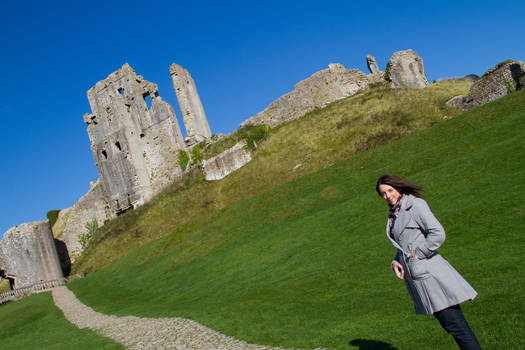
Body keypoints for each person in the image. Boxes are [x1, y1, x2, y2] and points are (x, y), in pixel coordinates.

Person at [376, 174, 481, 350]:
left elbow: (438, 234)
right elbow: (404, 244)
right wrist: (396, 261)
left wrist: (418, 254)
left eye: (390, 190)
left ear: (398, 188)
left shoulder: (415, 205)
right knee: (452, 326)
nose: (388, 196)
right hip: (419, 277)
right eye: (383, 193)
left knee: (456, 327)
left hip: (432, 276)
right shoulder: (394, 213)